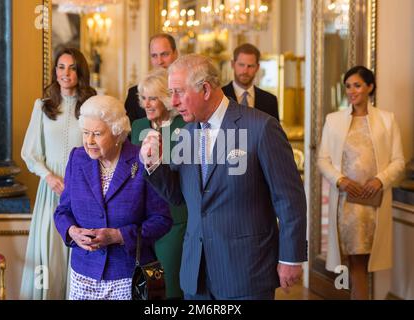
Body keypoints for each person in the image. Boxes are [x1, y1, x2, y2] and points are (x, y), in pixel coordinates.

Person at [140, 54, 307, 300]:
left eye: (178, 92)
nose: (173, 102)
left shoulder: (261, 128)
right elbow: (178, 196)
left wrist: (290, 257)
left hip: (246, 272)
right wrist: (153, 165)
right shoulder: (188, 132)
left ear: (205, 89)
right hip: (196, 274)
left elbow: (289, 199)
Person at [53, 95, 172, 300]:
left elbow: (162, 220)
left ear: (117, 133)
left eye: (97, 134)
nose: (89, 141)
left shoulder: (142, 159)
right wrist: (72, 231)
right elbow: (63, 211)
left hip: (128, 276)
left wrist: (119, 236)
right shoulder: (77, 158)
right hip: (83, 274)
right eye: (86, 133)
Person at [317, 66, 405, 299]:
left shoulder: (387, 120)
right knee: (355, 260)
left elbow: (398, 161)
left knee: (367, 261)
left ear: (370, 87)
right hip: (347, 205)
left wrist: (380, 179)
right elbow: (323, 160)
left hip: (375, 203)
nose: (351, 91)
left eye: (357, 85)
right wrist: (341, 180)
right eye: (348, 86)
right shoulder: (333, 121)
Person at [20, 47, 97, 300]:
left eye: (72, 67)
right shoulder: (42, 106)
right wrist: (48, 177)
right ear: (55, 71)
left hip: (83, 193)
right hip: (50, 192)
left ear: (80, 72)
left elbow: (98, 149)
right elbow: (29, 152)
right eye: (61, 67)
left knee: (78, 254)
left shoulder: (91, 106)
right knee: (50, 256)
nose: (66, 73)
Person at [131, 68, 187, 299]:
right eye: (144, 98)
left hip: (175, 218)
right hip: (142, 220)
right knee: (146, 285)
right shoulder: (137, 126)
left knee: (171, 286)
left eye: (153, 98)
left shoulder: (184, 126)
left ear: (166, 97)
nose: (147, 104)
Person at [125, 33, 179, 124]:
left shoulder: (187, 91)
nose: (159, 61)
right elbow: (131, 135)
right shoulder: (134, 94)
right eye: (154, 56)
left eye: (164, 54)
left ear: (175, 54)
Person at [222, 43, 279, 120]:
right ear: (233, 64)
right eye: (241, 65)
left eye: (250, 66)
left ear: (257, 67)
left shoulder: (270, 100)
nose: (245, 71)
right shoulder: (220, 96)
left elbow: (273, 131)